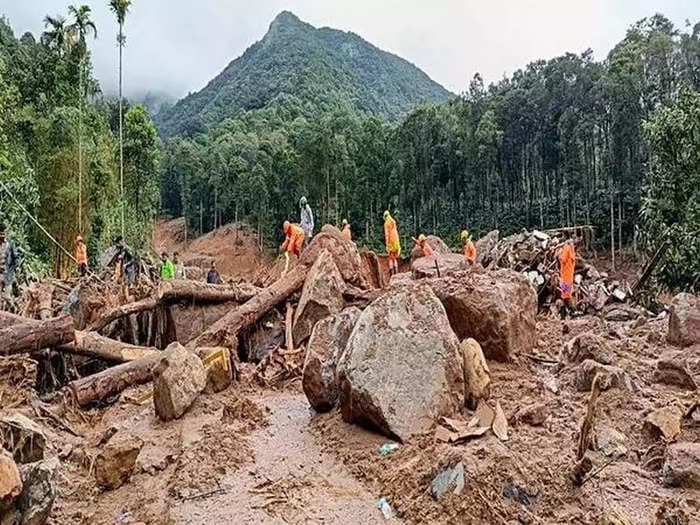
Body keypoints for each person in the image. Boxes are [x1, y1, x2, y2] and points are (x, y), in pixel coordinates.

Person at [557, 235, 576, 319]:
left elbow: (563, 259)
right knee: (566, 294)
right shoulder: (572, 249)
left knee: (565, 295)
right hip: (569, 275)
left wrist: (559, 253)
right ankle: (566, 313)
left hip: (565, 275)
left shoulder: (566, 248)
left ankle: (571, 311)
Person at [0, 223, 17, 305]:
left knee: (7, 297)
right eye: (0, 234)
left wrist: (13, 270)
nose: (2, 236)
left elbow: (15, 258)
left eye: (3, 234)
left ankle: (14, 308)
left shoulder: (9, 245)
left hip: (7, 274)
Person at [383, 211, 401, 276]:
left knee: (391, 258)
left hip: (391, 242)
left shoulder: (386, 223)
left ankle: (392, 275)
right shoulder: (393, 221)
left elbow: (387, 235)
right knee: (395, 258)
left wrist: (387, 244)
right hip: (396, 242)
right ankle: (396, 274)